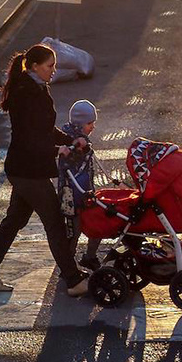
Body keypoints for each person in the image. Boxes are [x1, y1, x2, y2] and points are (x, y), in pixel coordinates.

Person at [0, 43, 89, 297]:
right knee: (54, 223)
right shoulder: (26, 92)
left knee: (14, 220)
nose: (54, 70)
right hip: (28, 170)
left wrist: (69, 140)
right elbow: (30, 136)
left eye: (55, 65)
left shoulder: (36, 87)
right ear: (35, 66)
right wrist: (56, 150)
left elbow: (44, 130)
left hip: (26, 167)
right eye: (50, 66)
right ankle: (73, 280)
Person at [57, 99, 103, 271]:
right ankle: (68, 265)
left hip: (85, 193)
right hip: (72, 197)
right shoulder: (73, 142)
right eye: (90, 123)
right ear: (80, 124)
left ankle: (89, 257)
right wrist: (79, 149)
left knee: (97, 225)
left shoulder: (82, 140)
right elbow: (68, 168)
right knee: (74, 232)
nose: (93, 127)